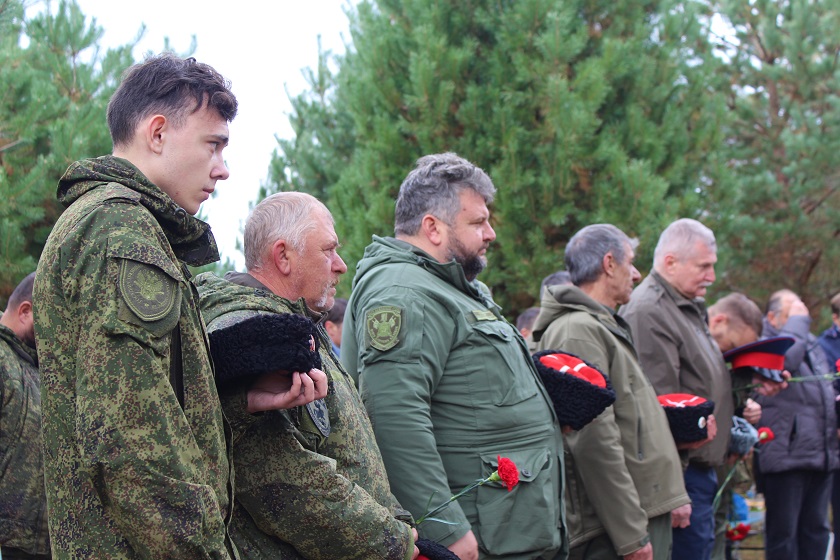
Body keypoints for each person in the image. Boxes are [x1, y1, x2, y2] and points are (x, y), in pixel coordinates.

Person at [33, 54, 320, 558]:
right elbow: (130, 441)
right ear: (158, 133)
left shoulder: (116, 224)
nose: (223, 169)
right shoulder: (120, 229)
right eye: (213, 144)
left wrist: (235, 402)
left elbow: (135, 402)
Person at [342, 153, 567, 560]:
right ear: (433, 227)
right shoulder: (406, 291)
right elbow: (393, 414)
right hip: (478, 534)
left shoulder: (446, 286)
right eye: (478, 222)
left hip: (508, 522)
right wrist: (444, 528)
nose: (491, 233)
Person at [195, 192, 419, 560]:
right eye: (328, 250)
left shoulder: (295, 326)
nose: (341, 265)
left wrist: (397, 520)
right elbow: (280, 479)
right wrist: (394, 542)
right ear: (283, 256)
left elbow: (346, 451)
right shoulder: (254, 335)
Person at [619, 218, 781, 560]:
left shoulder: (686, 306)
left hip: (701, 471)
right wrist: (673, 491)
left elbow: (702, 382)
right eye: (704, 266)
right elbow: (659, 409)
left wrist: (744, 394)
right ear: (670, 263)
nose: (712, 276)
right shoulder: (650, 311)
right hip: (680, 476)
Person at [531, 224, 690, 560]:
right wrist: (630, 534)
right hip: (614, 528)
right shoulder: (577, 331)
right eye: (630, 262)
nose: (637, 274)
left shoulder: (599, 326)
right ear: (609, 263)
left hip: (637, 511)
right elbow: (594, 441)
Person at [755, 289, 838, 560]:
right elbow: (784, 362)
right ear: (772, 317)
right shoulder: (765, 342)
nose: (802, 316)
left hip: (820, 453)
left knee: (817, 533)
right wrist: (800, 324)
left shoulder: (811, 344)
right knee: (784, 537)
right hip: (786, 456)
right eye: (794, 312)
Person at [0, 272, 50, 559]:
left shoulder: (33, 366)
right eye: (48, 321)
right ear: (25, 311)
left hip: (38, 543)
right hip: (8, 541)